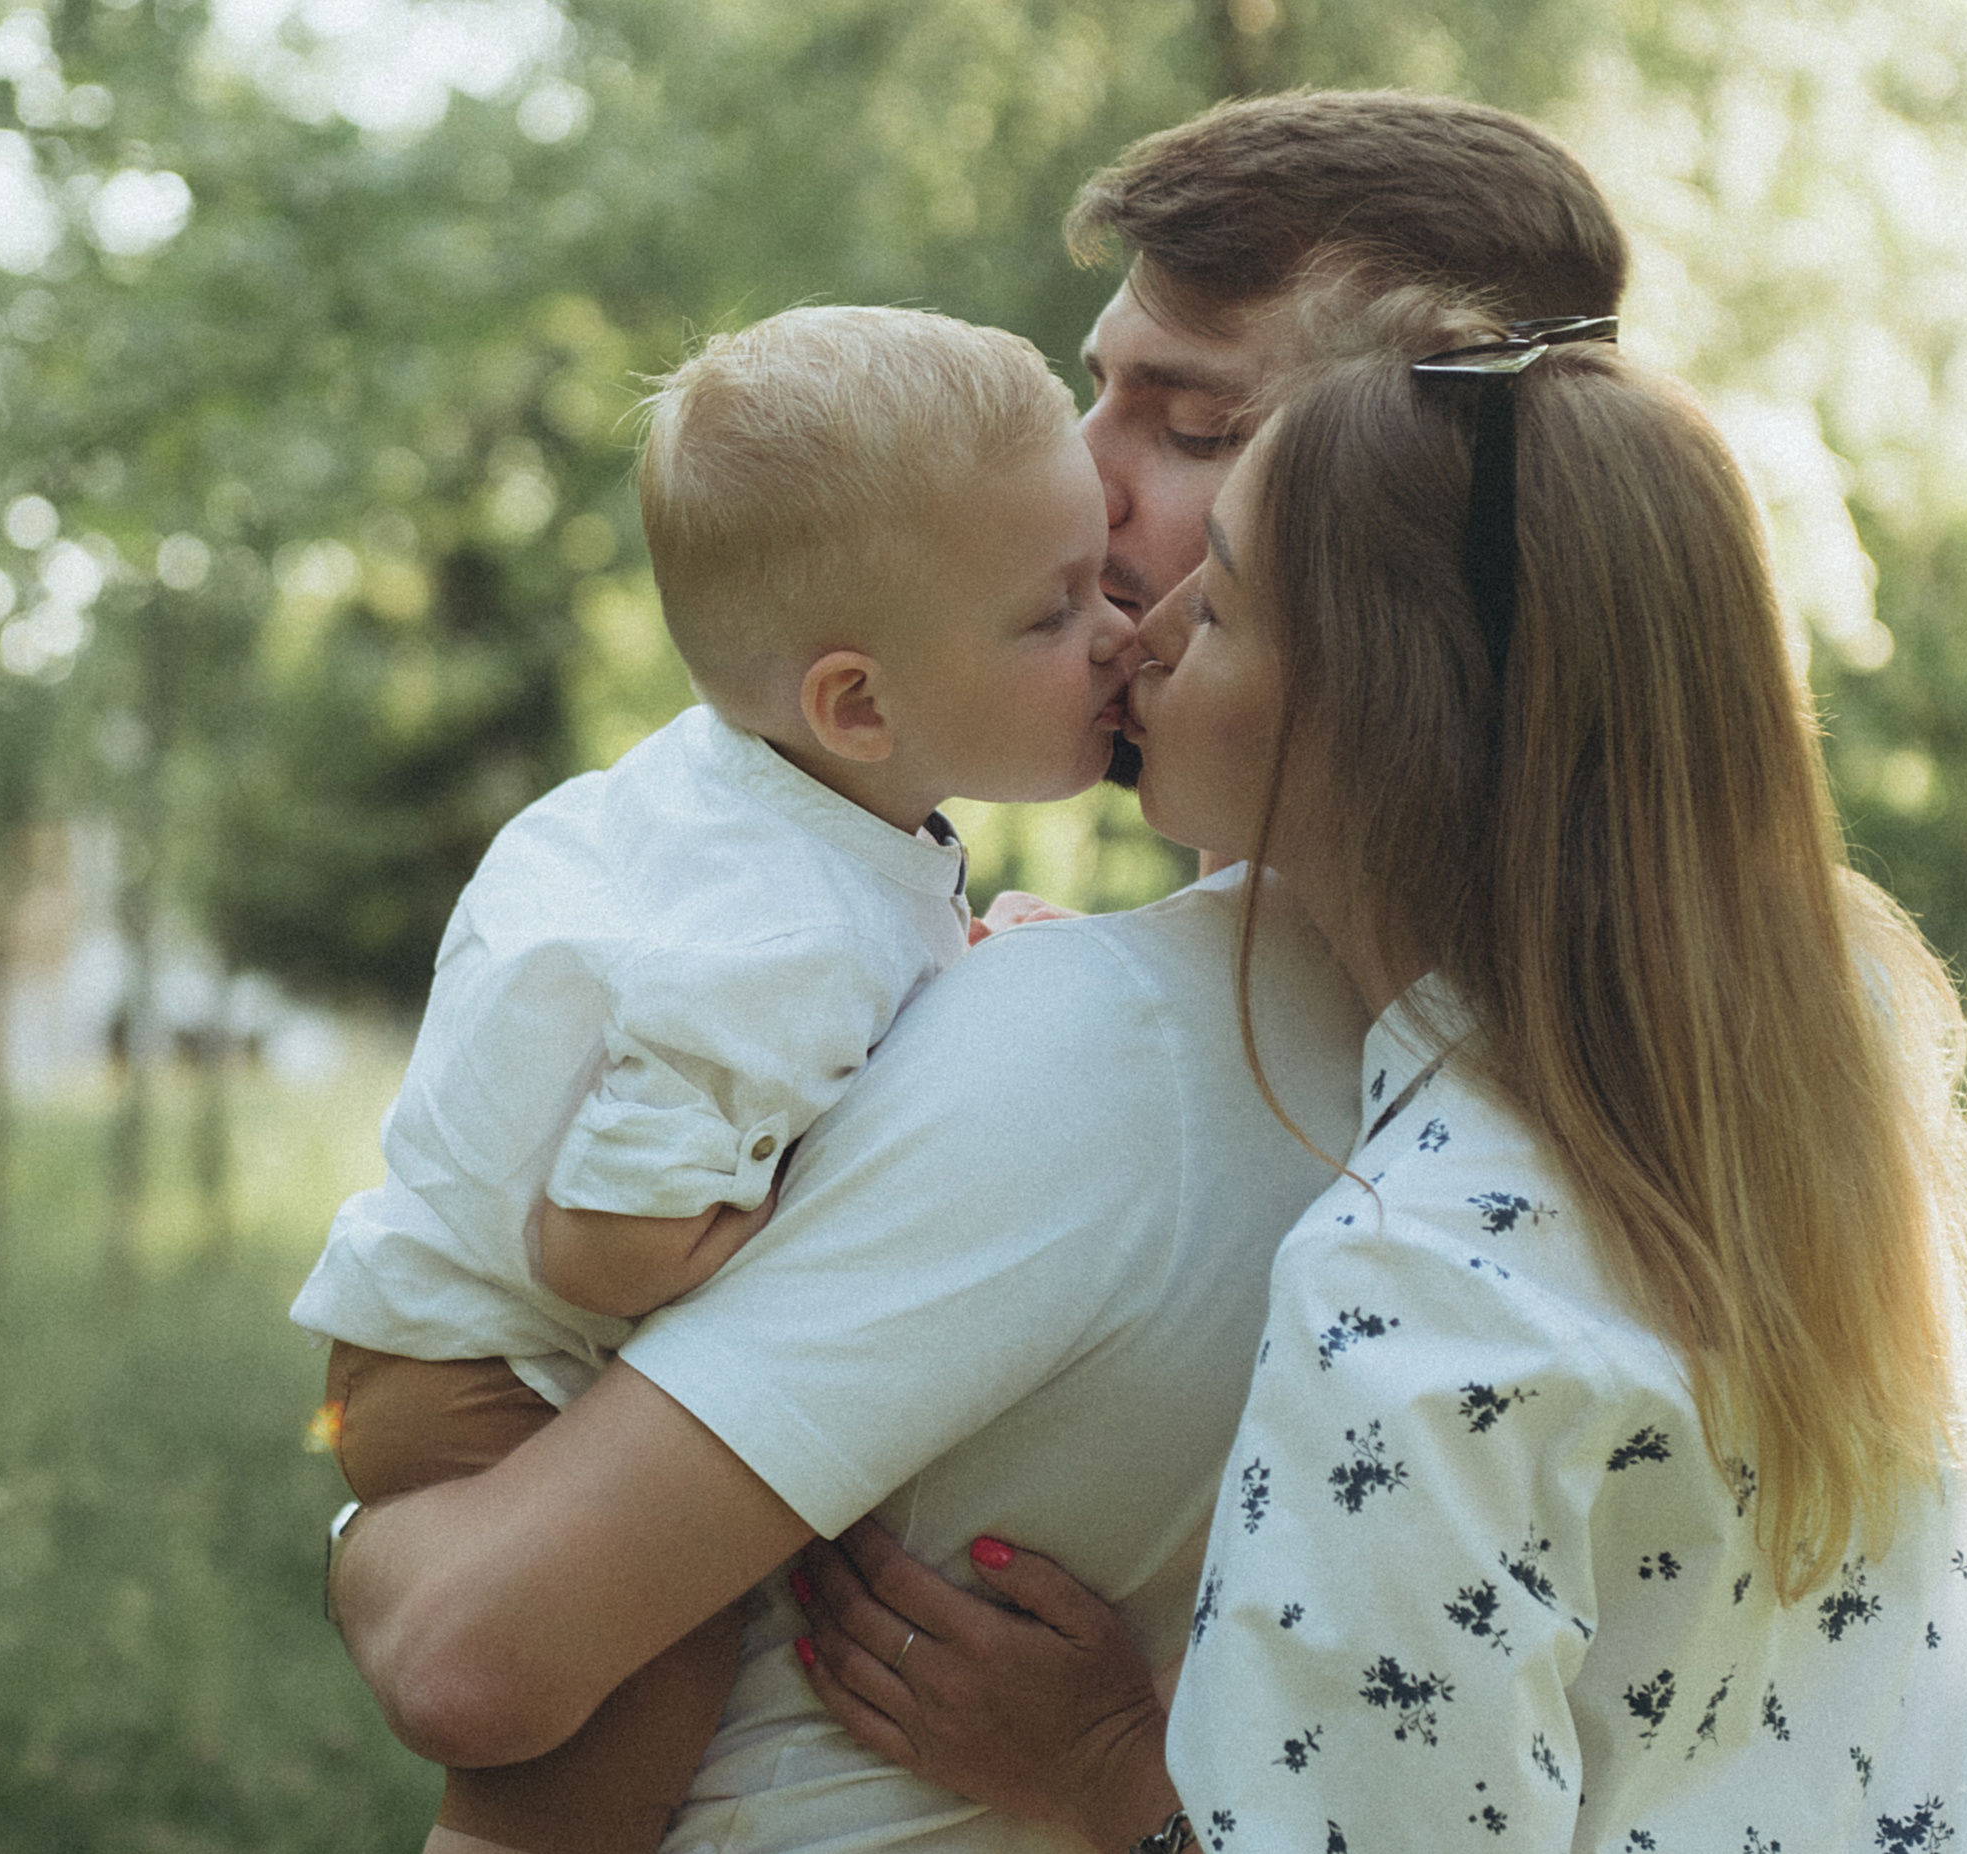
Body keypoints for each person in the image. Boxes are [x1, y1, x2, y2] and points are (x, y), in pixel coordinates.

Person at [322, 92, 1633, 1854]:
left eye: (1185, 423)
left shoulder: (1116, 1049)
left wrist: (375, 1530)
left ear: (1405, 497)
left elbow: (469, 1646)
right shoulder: (1661, 1027)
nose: (1083, 478)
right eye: (1094, 387)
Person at [795, 286, 1967, 1847]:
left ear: (1386, 718)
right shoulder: (1827, 1081)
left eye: (1225, 601)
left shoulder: (1414, 1286)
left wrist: (1120, 1772)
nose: (1151, 629)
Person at [294, 302, 1139, 1854]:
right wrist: (853, 1175)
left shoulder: (749, 808)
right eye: (1056, 608)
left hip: (424, 1340)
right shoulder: (778, 938)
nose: (1118, 631)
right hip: (491, 1376)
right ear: (858, 703)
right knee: (631, 1677)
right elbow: (600, 1241)